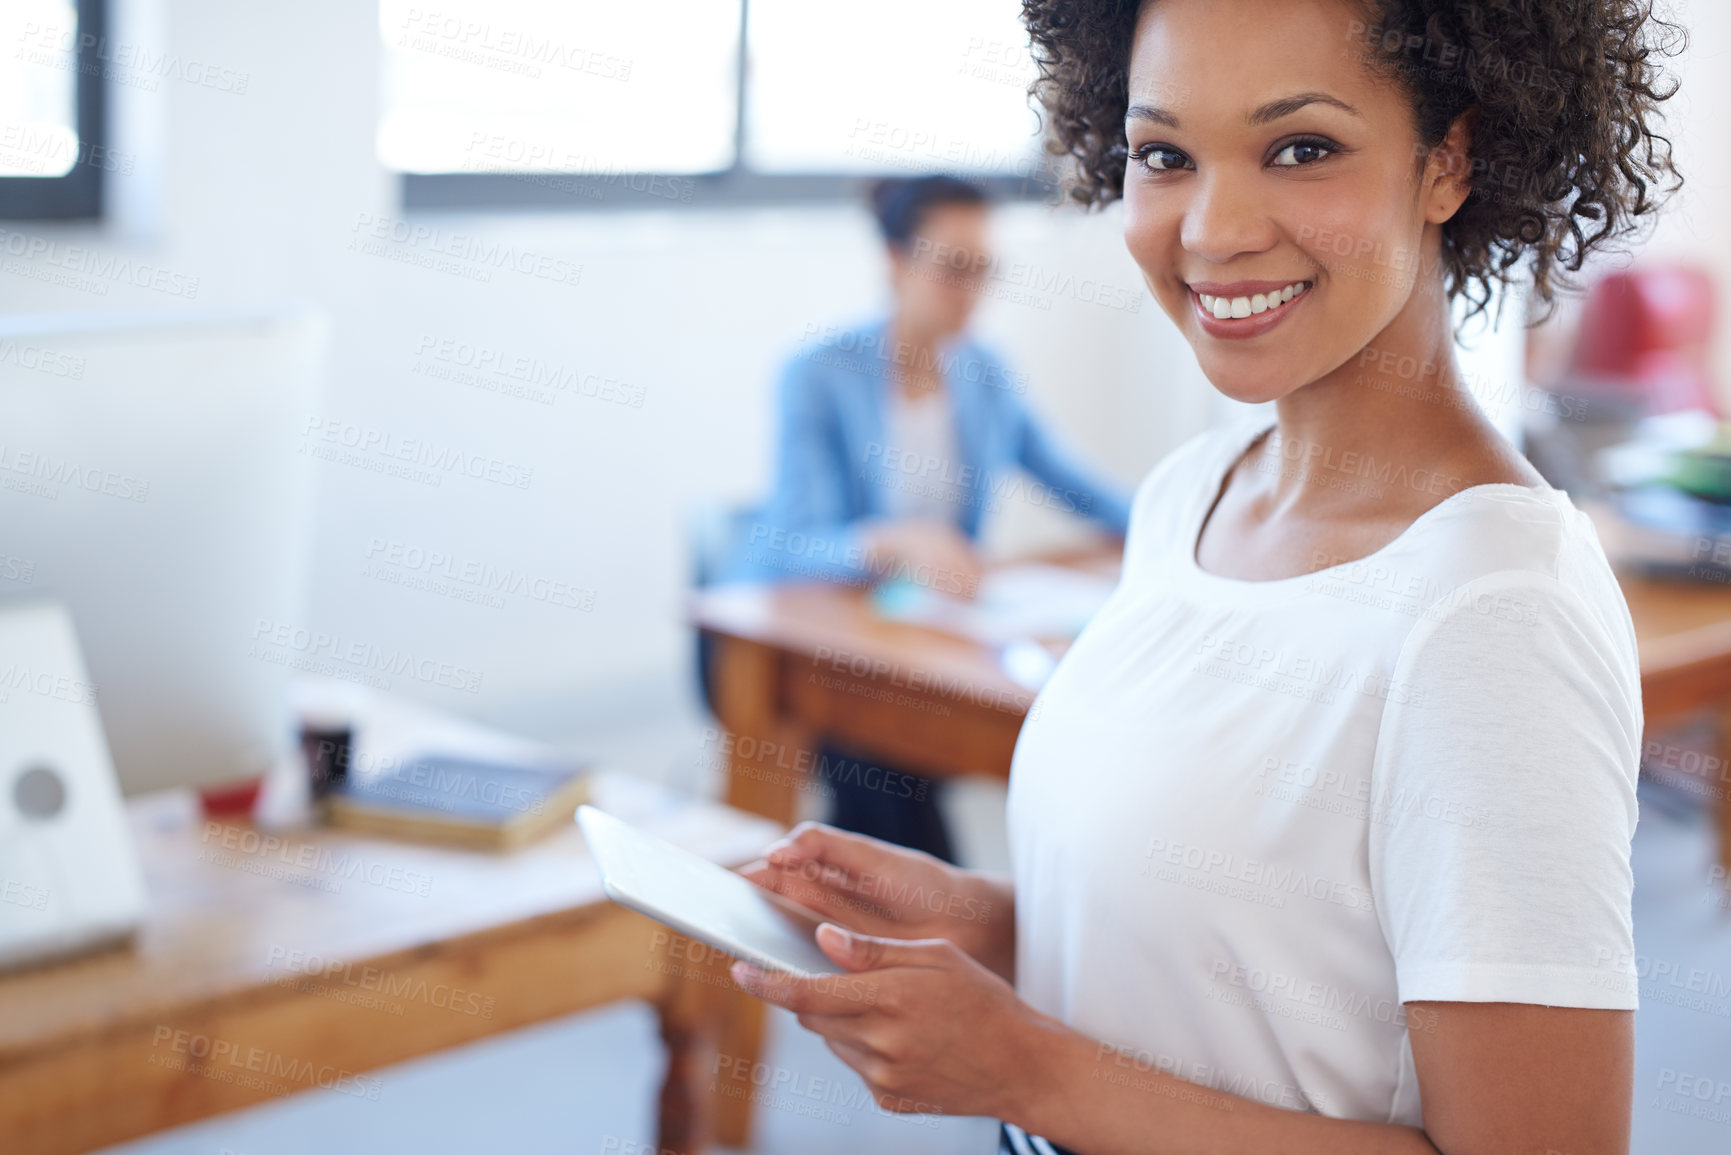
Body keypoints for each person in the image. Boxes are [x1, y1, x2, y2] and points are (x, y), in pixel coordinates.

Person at [731, 2, 1682, 1153]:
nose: (1213, 229)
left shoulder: (1493, 612)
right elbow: (1247, 971)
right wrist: (986, 923)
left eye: (1301, 148)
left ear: (1450, 162)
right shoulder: (1192, 495)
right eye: (1165, 156)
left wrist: (1032, 1074)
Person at [728, 174, 1133, 862]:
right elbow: (790, 541)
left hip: (923, 636)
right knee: (886, 777)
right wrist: (891, 541)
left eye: (984, 270)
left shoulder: (983, 373)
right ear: (894, 260)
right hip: (817, 636)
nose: (970, 290)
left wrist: (1185, 521)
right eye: (952, 267)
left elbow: (1074, 483)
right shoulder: (819, 372)